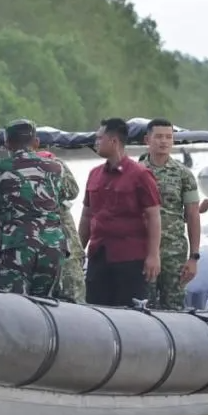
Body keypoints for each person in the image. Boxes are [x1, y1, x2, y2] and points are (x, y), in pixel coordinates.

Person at [0, 119, 67, 297]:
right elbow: (63, 195)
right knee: (46, 305)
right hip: (53, 244)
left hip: (17, 243)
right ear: (36, 142)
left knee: (15, 305)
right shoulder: (56, 168)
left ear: (7, 143)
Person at [80, 118, 162, 307]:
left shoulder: (140, 175)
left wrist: (153, 255)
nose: (96, 143)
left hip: (130, 258)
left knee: (130, 311)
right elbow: (86, 216)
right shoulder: (94, 174)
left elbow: (153, 217)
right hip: (99, 255)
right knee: (96, 308)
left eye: (100, 138)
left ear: (114, 141)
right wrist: (78, 250)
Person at [140, 118, 202, 311]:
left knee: (173, 306)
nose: (164, 141)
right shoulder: (135, 171)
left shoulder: (183, 175)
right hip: (142, 249)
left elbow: (193, 215)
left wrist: (193, 257)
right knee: (143, 304)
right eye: (158, 136)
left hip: (174, 252)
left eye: (169, 137)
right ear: (147, 140)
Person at [31, 138, 85, 303]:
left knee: (71, 290)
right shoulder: (12, 169)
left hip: (61, 238)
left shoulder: (53, 163)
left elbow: (72, 191)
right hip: (39, 242)